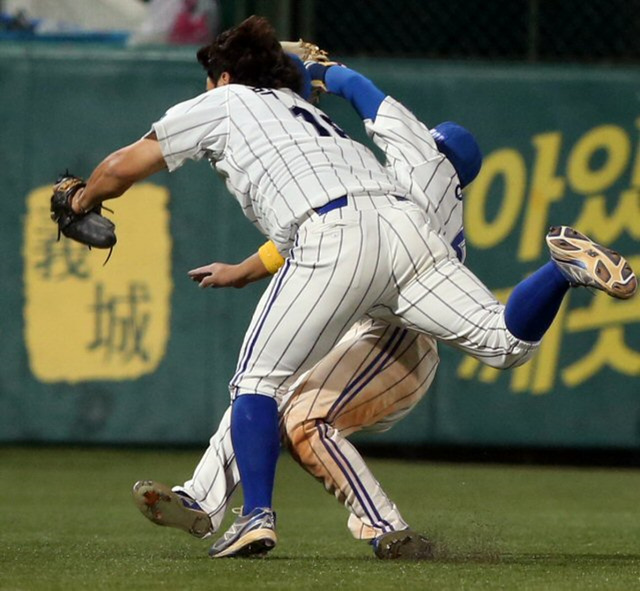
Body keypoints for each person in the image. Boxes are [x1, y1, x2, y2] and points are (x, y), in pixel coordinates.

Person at [65, 17, 637, 559]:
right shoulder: (329, 124)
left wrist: (82, 198)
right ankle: (561, 270)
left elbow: (122, 164)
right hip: (402, 232)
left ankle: (255, 516)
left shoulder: (227, 98)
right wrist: (316, 78)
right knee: (504, 340)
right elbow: (348, 142)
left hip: (337, 245)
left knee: (260, 382)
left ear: (224, 78)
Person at [131, 48, 481, 561]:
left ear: (438, 153)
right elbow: (329, 192)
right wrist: (248, 268)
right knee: (263, 386)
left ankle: (386, 526)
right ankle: (203, 497)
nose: (417, 140)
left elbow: (336, 191)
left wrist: (307, 73)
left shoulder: (423, 179)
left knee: (303, 418)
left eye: (430, 141)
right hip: (368, 313)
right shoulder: (418, 181)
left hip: (397, 337)